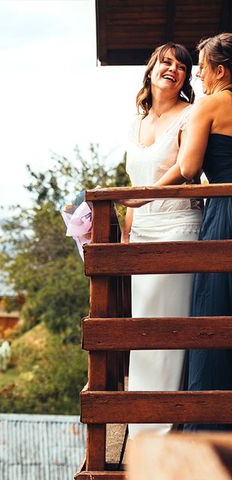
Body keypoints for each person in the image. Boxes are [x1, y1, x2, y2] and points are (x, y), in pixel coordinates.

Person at [145, 33, 232, 432]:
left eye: (201, 66)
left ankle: (210, 428)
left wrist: (141, 198)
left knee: (213, 313)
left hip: (224, 215)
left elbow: (190, 167)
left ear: (220, 69)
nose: (198, 74)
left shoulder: (209, 105)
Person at [121, 42, 202, 437]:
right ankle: (141, 425)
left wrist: (144, 194)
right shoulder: (135, 121)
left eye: (182, 66)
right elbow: (134, 186)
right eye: (166, 62)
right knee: (143, 330)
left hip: (176, 228)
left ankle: (164, 431)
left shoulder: (190, 114)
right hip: (141, 233)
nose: (174, 69)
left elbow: (187, 169)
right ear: (151, 70)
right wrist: (124, 233)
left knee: (169, 330)